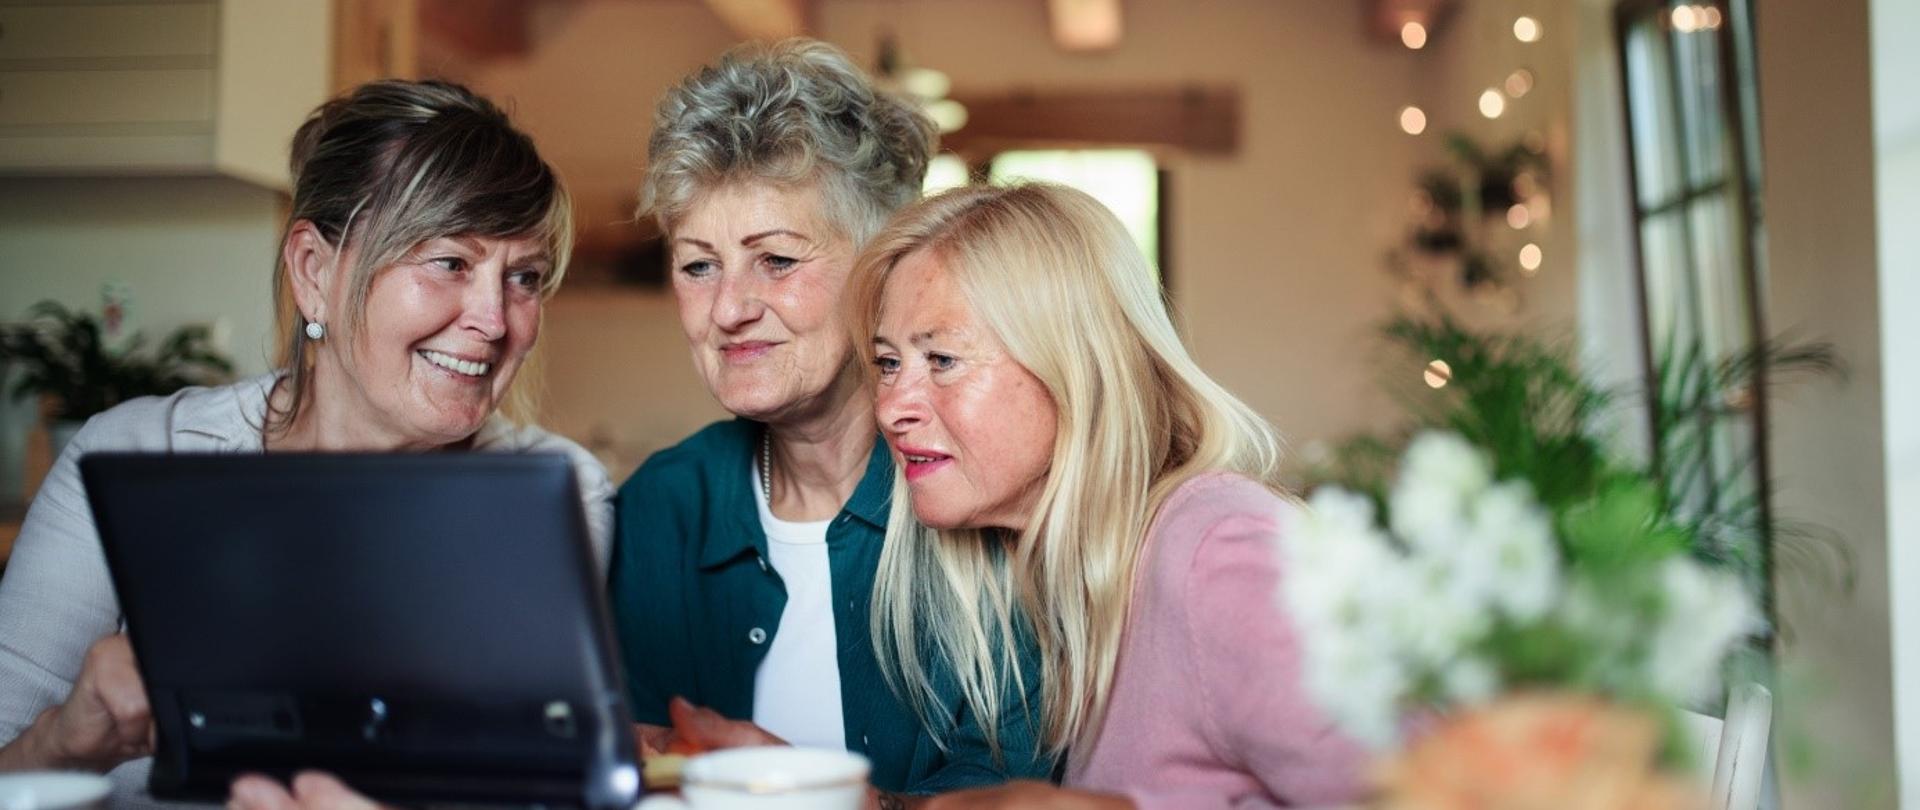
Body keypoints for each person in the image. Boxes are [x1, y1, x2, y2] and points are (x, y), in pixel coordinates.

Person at [0, 79, 615, 807]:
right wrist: (67, 739)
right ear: (314, 272)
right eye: (449, 261)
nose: (494, 317)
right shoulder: (137, 448)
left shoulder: (558, 493)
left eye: (524, 277)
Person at [607, 38, 1051, 799]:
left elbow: (1017, 789)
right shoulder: (662, 506)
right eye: (698, 265)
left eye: (776, 260)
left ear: (882, 265)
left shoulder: (987, 492)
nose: (729, 310)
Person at [849, 183, 1370, 810]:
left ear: (1075, 366)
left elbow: (1451, 792)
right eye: (887, 364)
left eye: (942, 359)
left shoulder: (1219, 554)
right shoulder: (1068, 579)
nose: (891, 407)